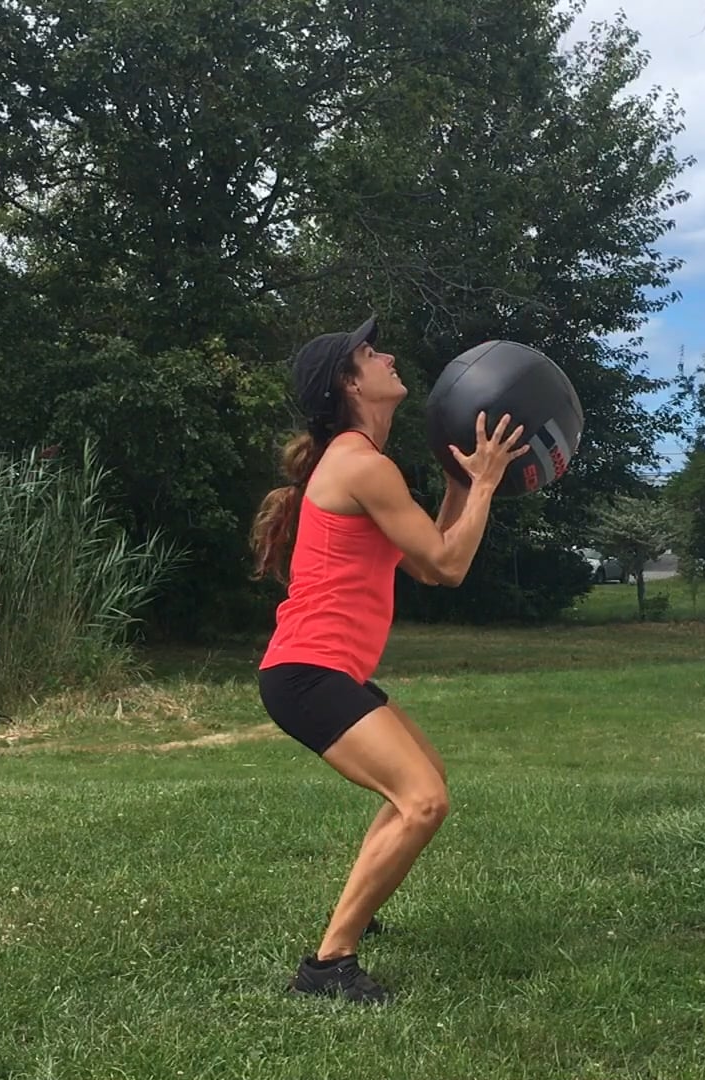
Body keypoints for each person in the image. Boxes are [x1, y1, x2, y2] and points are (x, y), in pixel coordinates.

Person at [248, 315, 528, 1004]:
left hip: (326, 671)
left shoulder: (359, 464)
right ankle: (328, 965)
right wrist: (488, 482)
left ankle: (356, 915)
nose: (388, 356)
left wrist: (458, 481)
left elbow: (428, 565)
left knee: (423, 783)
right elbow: (452, 564)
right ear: (349, 381)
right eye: (372, 354)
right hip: (306, 674)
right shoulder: (359, 464)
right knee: (422, 800)